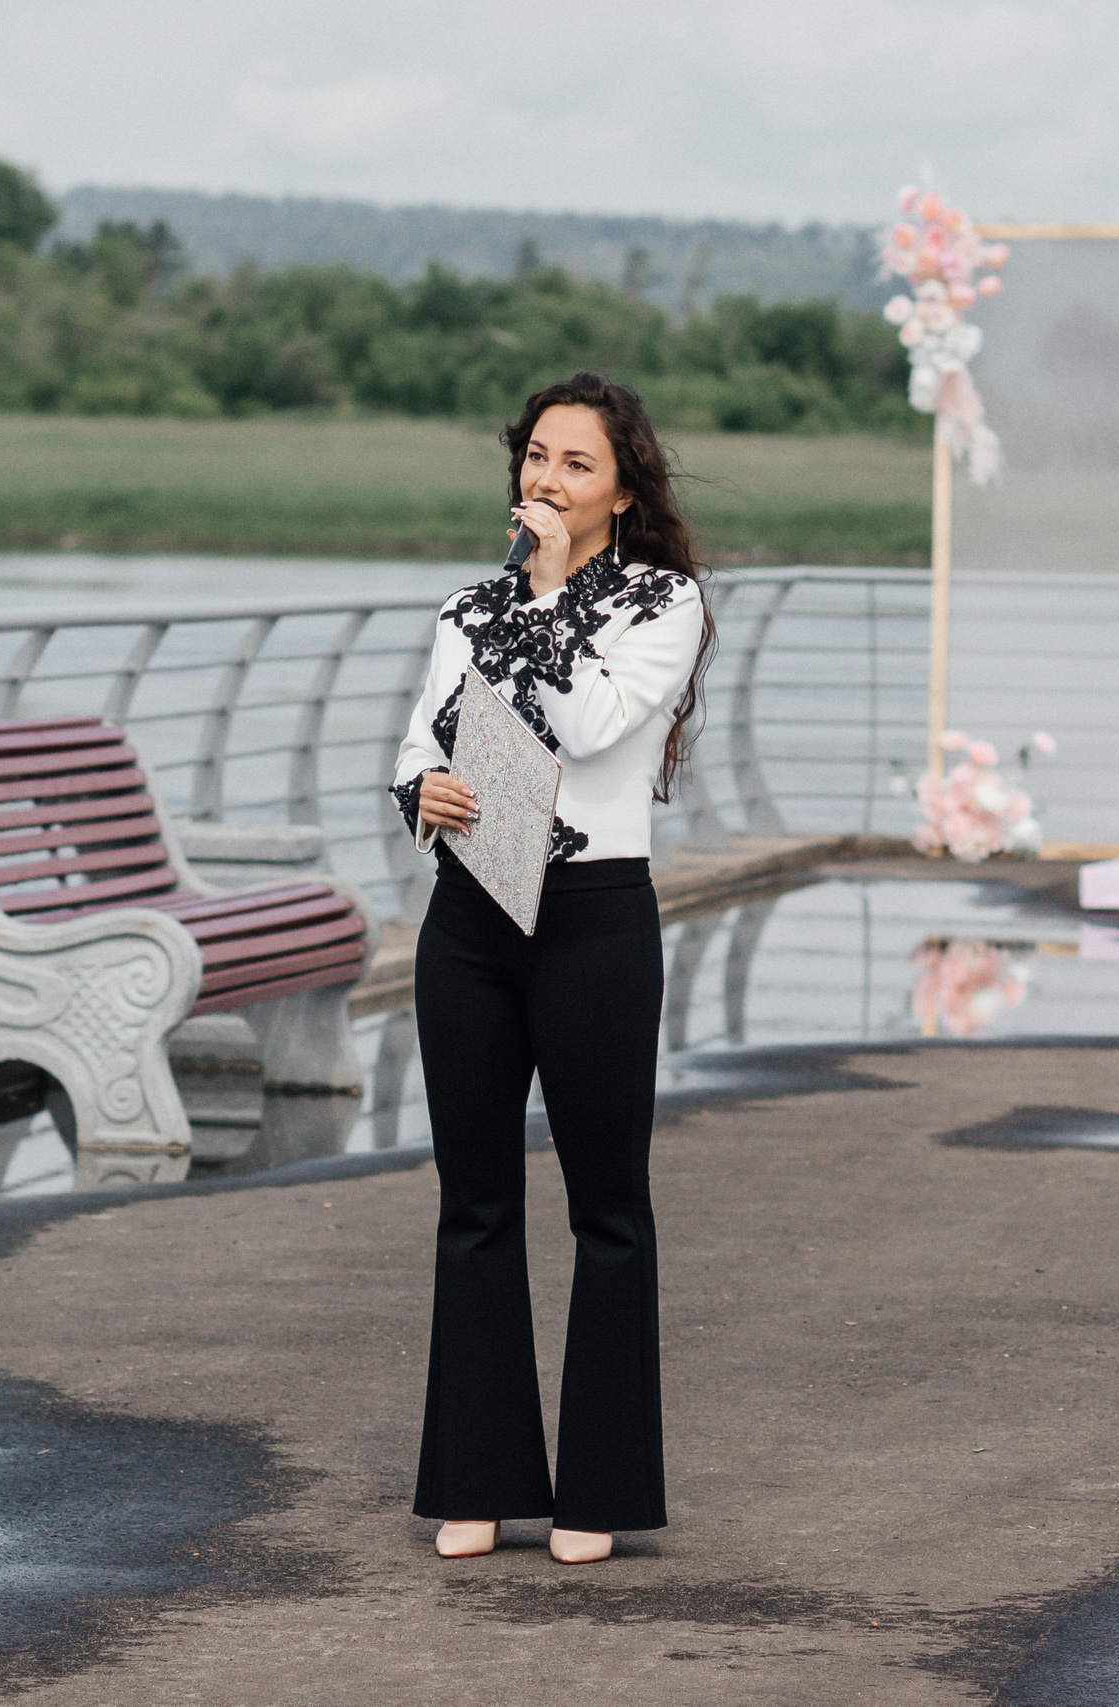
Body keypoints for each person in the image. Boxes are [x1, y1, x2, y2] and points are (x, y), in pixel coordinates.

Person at [388, 372, 714, 1564]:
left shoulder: (658, 605)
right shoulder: (462, 607)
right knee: (472, 1206)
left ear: (622, 487)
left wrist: (542, 590)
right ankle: (474, 1482)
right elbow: (421, 738)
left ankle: (600, 1496)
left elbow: (583, 727)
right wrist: (415, 790)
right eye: (536, 456)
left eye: (576, 463)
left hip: (592, 922)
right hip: (469, 916)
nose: (547, 479)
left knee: (606, 1209)